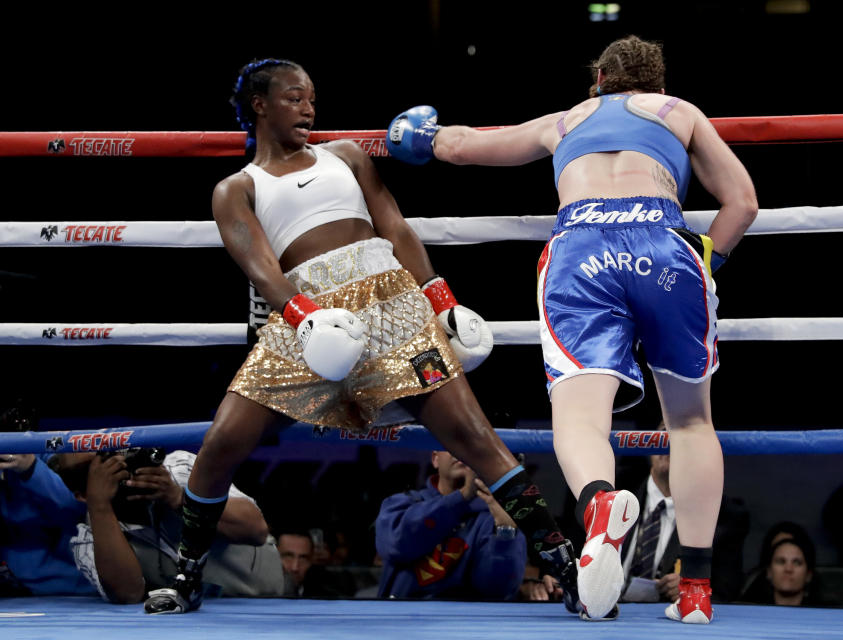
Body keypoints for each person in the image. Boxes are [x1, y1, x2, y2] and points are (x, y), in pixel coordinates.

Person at [144, 58, 578, 615]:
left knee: (474, 437)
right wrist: (304, 318)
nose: (309, 108)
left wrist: (440, 299)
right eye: (295, 97)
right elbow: (260, 267)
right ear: (260, 104)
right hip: (306, 313)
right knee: (224, 440)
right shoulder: (236, 188)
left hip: (389, 300)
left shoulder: (345, 155)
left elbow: (393, 225)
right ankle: (186, 575)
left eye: (312, 99)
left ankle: (568, 563)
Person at [388, 35, 758, 622]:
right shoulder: (679, 111)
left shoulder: (567, 120)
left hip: (580, 250)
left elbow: (464, 147)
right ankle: (695, 594)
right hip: (664, 246)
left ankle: (601, 504)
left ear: (598, 83)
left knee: (580, 419)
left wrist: (419, 135)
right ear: (656, 84)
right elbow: (742, 201)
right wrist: (707, 261)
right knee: (690, 421)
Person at [50, 449, 281, 604]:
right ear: (81, 494)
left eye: (107, 455)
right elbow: (128, 593)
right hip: (203, 624)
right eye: (95, 469)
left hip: (274, 599)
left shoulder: (179, 467)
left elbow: (256, 529)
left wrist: (179, 497)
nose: (112, 468)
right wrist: (99, 505)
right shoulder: (89, 537)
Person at [617, 430, 748, 605]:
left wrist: (693, 587)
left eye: (677, 434)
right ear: (649, 443)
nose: (668, 442)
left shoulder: (722, 515)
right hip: (610, 612)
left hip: (671, 621)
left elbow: (727, 590)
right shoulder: (615, 491)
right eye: (663, 434)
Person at [376, 451, 526, 600]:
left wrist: (505, 529)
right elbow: (396, 546)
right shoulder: (402, 504)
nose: (458, 450)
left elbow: (498, 591)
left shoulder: (493, 515)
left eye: (465, 444)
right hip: (400, 617)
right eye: (449, 444)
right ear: (435, 459)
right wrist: (462, 496)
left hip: (463, 621)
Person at [0, 452, 94, 596]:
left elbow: (79, 504)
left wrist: (31, 468)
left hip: (67, 590)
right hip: (13, 589)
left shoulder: (46, 449)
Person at [276, 530, 313, 596]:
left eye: (303, 558)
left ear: (311, 561)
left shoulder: (325, 598)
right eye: (288, 556)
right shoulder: (259, 594)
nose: (294, 568)